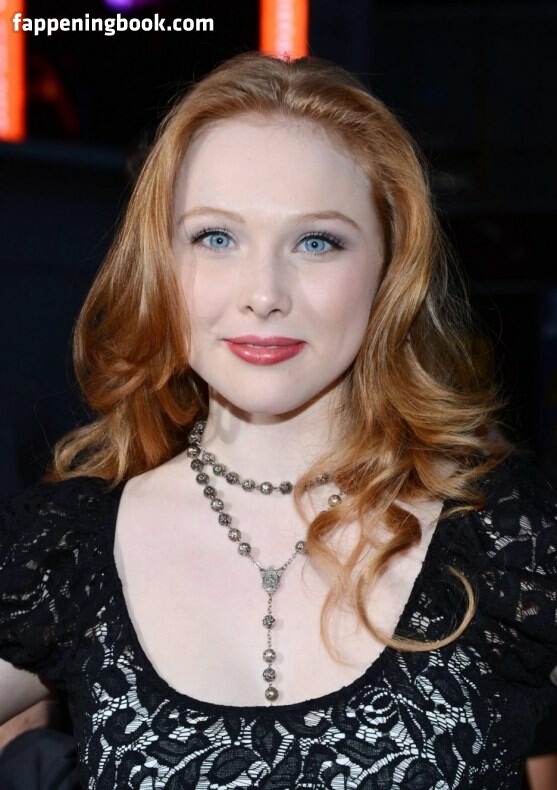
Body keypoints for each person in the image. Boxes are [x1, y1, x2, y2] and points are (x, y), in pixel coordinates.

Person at [0, 51, 556, 790]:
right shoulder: (60, 552)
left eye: (316, 242)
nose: (263, 293)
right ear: (160, 263)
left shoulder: (514, 535)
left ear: (390, 269)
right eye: (216, 237)